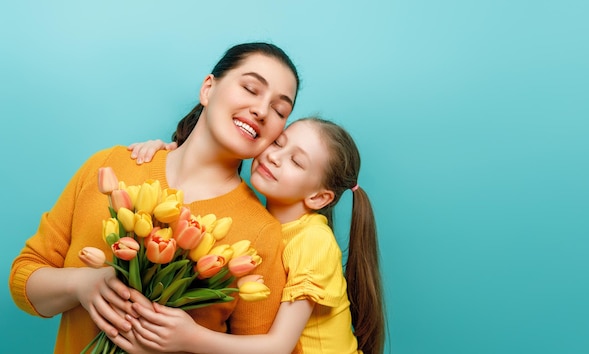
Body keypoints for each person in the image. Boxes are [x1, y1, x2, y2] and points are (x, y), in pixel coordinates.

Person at [9, 42, 301, 354]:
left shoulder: (261, 233)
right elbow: (24, 277)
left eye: (279, 110)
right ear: (208, 89)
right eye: (250, 88)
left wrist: (184, 345)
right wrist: (81, 285)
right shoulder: (112, 166)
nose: (261, 110)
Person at [122, 117, 386, 354]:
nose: (274, 157)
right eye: (277, 143)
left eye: (296, 161)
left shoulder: (314, 240)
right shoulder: (260, 223)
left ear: (318, 197)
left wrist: (189, 337)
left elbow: (278, 347)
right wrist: (171, 153)